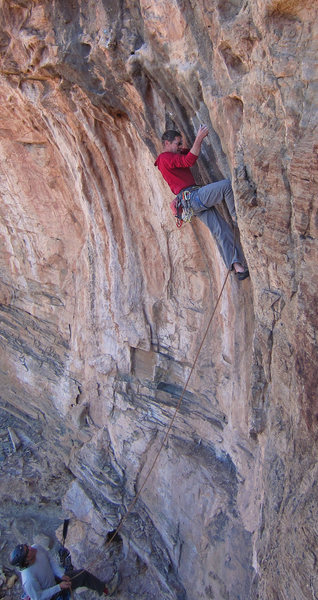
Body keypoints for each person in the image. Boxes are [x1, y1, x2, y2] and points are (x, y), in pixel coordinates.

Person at [154, 127, 249, 280]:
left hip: (192, 203)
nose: (180, 147)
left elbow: (188, 154)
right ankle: (237, 218)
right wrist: (199, 138)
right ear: (167, 143)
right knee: (225, 186)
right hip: (193, 197)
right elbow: (189, 160)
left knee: (221, 230)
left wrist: (192, 145)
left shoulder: (172, 156)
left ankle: (238, 267)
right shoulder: (165, 158)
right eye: (177, 144)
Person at [10, 543, 119, 599]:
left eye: (26, 546)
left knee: (83, 575)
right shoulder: (28, 579)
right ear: (26, 560)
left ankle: (106, 590)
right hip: (50, 596)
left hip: (56, 580)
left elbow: (49, 559)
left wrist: (61, 574)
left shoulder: (37, 548)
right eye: (27, 550)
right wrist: (59, 587)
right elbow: (38, 597)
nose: (30, 547)